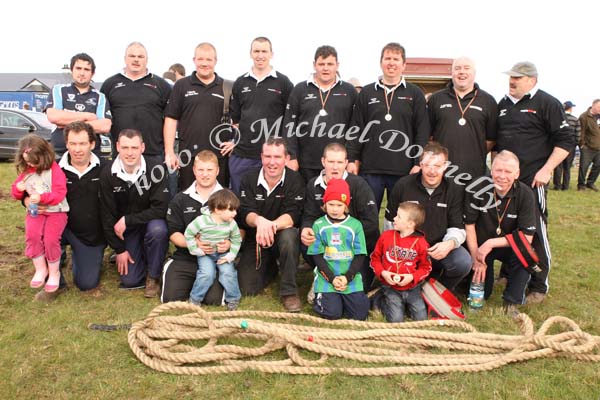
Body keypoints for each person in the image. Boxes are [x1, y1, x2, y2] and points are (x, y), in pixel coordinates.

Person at [496, 61, 574, 304]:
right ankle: (508, 273)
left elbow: (566, 141)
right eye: (511, 77)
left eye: (518, 77)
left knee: (536, 232)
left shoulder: (547, 103)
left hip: (533, 181)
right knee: (507, 227)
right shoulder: (503, 105)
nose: (512, 81)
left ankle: (539, 284)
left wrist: (547, 169)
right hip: (506, 182)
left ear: (532, 80)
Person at [346, 42, 430, 211]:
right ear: (381, 62)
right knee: (367, 215)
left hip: (404, 169)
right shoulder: (367, 93)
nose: (391, 63)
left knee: (401, 218)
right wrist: (353, 159)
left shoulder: (415, 94)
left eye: (396, 59)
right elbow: (356, 128)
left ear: (404, 64)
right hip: (370, 168)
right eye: (387, 58)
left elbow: (422, 130)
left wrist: (417, 162)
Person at [385, 142, 471, 294]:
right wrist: (398, 250)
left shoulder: (454, 190)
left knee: (462, 261)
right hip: (407, 250)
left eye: (437, 166)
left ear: (445, 166)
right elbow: (389, 223)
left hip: (437, 249)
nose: (432, 171)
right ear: (420, 165)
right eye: (428, 165)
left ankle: (438, 291)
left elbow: (458, 227)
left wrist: (449, 244)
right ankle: (412, 287)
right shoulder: (403, 185)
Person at [465, 151, 538, 317]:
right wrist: (476, 256)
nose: (502, 176)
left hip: (508, 246)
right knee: (483, 294)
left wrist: (491, 243)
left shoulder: (525, 194)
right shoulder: (476, 188)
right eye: (498, 170)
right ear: (491, 170)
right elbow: (469, 226)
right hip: (480, 247)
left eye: (508, 172)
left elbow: (526, 237)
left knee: (525, 253)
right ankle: (474, 284)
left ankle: (511, 302)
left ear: (517, 174)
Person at [236, 137, 305, 312]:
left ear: (286, 159)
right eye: (267, 156)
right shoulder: (249, 178)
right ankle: (272, 267)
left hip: (282, 235)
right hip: (256, 239)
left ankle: (289, 291)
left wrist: (271, 225)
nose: (272, 162)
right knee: (247, 288)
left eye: (277, 157)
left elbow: (293, 215)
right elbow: (245, 211)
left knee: (290, 237)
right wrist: (259, 221)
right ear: (261, 157)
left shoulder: (295, 180)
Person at [99, 129, 169, 296]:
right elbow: (106, 215)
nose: (130, 153)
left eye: (134, 148)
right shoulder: (107, 174)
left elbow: (161, 209)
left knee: (158, 230)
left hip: (149, 224)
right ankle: (146, 254)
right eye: (125, 147)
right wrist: (119, 249)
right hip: (126, 232)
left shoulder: (156, 170)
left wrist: (128, 220)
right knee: (130, 280)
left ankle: (153, 276)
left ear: (142, 148)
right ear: (117, 147)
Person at [301, 143, 379, 291]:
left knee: (361, 289)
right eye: (331, 162)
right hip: (326, 244)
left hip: (355, 247)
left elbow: (372, 223)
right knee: (306, 242)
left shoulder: (359, 185)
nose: (335, 167)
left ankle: (349, 275)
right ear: (323, 161)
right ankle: (322, 275)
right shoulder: (313, 185)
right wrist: (306, 229)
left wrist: (342, 234)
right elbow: (309, 216)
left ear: (345, 163)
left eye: (339, 162)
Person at [161, 150, 230, 304]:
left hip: (215, 258)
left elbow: (240, 229)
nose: (205, 174)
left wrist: (229, 244)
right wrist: (193, 243)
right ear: (194, 170)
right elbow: (174, 233)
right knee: (170, 298)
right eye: (201, 170)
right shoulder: (180, 199)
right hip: (186, 257)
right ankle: (179, 276)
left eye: (209, 170)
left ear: (217, 171)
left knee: (214, 300)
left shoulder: (228, 197)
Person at [227, 36, 294, 194]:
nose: (260, 55)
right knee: (239, 200)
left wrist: (287, 152)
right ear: (250, 53)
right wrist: (234, 141)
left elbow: (290, 120)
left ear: (271, 54)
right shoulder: (240, 82)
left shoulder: (283, 83)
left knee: (268, 201)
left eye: (264, 51)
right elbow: (235, 119)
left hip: (272, 156)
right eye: (256, 51)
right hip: (243, 154)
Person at [283, 45, 357, 183]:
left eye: (330, 64)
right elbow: (289, 125)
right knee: (307, 203)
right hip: (304, 164)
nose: (325, 68)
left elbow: (355, 127)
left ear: (337, 65)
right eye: (321, 64)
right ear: (314, 65)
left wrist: (351, 159)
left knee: (335, 204)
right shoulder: (300, 89)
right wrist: (291, 156)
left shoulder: (349, 91)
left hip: (337, 165)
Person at [164, 42, 232, 190]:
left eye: (209, 60)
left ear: (215, 61)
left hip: (218, 158)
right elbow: (171, 118)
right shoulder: (181, 85)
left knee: (218, 204)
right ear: (194, 60)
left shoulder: (227, 87)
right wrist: (169, 152)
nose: (204, 63)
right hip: (188, 157)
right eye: (201, 59)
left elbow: (237, 120)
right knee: (188, 203)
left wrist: (234, 141)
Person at [11, 134, 69, 293]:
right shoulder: (27, 172)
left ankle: (54, 271)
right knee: (32, 236)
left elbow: (59, 193)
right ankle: (40, 269)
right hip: (36, 212)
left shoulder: (55, 171)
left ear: (44, 156)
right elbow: (15, 193)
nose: (31, 165)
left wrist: (42, 197)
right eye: (28, 162)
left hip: (56, 211)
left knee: (51, 239)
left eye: (34, 162)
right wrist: (18, 190)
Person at [307, 178, 369, 320]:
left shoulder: (355, 225)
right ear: (325, 204)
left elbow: (360, 255)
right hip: (327, 277)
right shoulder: (319, 225)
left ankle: (345, 299)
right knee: (332, 314)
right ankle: (318, 293)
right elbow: (317, 256)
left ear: (346, 205)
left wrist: (347, 277)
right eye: (331, 204)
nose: (335, 209)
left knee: (359, 315)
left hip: (349, 278)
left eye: (339, 205)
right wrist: (332, 278)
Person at [427, 56, 497, 181]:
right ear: (452, 73)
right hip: (443, 171)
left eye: (466, 68)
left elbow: (491, 139)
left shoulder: (488, 101)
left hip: (475, 172)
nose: (462, 72)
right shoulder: (436, 99)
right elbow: (429, 136)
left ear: (474, 73)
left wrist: (473, 152)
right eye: (457, 68)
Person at [57, 121, 106, 295]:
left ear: (92, 144)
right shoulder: (53, 168)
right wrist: (26, 200)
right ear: (66, 144)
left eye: (83, 143)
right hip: (59, 228)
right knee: (39, 232)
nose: (77, 149)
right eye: (73, 144)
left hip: (89, 235)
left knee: (86, 283)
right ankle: (55, 280)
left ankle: (82, 257)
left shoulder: (106, 169)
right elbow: (30, 186)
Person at [101, 42, 172, 161]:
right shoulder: (109, 84)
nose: (136, 60)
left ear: (147, 60)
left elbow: (170, 120)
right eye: (132, 56)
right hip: (121, 154)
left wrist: (168, 151)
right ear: (125, 59)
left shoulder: (162, 85)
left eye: (140, 57)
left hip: (153, 154)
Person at [371, 202, 431, 322]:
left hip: (412, 287)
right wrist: (383, 273)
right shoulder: (386, 237)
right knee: (396, 320)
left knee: (421, 319)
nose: (394, 218)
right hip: (390, 286)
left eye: (398, 217)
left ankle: (403, 305)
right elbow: (375, 259)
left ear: (410, 224)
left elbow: (426, 268)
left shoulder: (421, 243)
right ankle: (379, 300)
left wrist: (412, 277)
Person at [46, 53, 112, 161]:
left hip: (91, 155)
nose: (82, 73)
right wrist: (87, 116)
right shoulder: (59, 90)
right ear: (72, 70)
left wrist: (67, 122)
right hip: (60, 153)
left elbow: (104, 126)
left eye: (86, 69)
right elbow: (54, 117)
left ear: (92, 73)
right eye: (78, 68)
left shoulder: (100, 97)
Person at [184, 189, 242, 310]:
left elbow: (237, 240)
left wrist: (230, 256)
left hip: (223, 254)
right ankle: (195, 300)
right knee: (206, 274)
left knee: (228, 273)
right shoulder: (201, 221)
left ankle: (233, 299)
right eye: (231, 210)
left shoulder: (232, 224)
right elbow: (188, 234)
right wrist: (196, 250)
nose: (235, 213)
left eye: (235, 209)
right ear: (218, 210)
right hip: (206, 254)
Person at [553, 101, 581, 190]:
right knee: (567, 167)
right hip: (570, 146)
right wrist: (576, 143)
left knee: (558, 166)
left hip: (558, 145)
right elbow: (578, 134)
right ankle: (565, 186)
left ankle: (557, 185)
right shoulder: (575, 119)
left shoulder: (558, 119)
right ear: (570, 108)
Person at [577, 99, 600, 192]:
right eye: (599, 107)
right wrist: (581, 144)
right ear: (593, 105)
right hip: (588, 147)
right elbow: (581, 132)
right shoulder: (584, 117)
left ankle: (590, 182)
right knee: (584, 167)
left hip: (599, 147)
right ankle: (581, 185)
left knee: (598, 166)